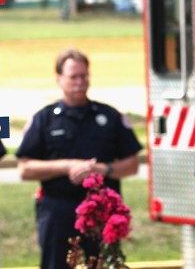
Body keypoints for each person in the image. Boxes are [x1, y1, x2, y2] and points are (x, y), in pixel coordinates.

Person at [15, 48, 143, 269]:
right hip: (58, 211)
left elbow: (132, 165)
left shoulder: (109, 117)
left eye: (84, 76)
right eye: (73, 77)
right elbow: (25, 169)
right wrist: (67, 166)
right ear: (59, 79)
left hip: (101, 212)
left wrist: (105, 170)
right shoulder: (45, 119)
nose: (80, 82)